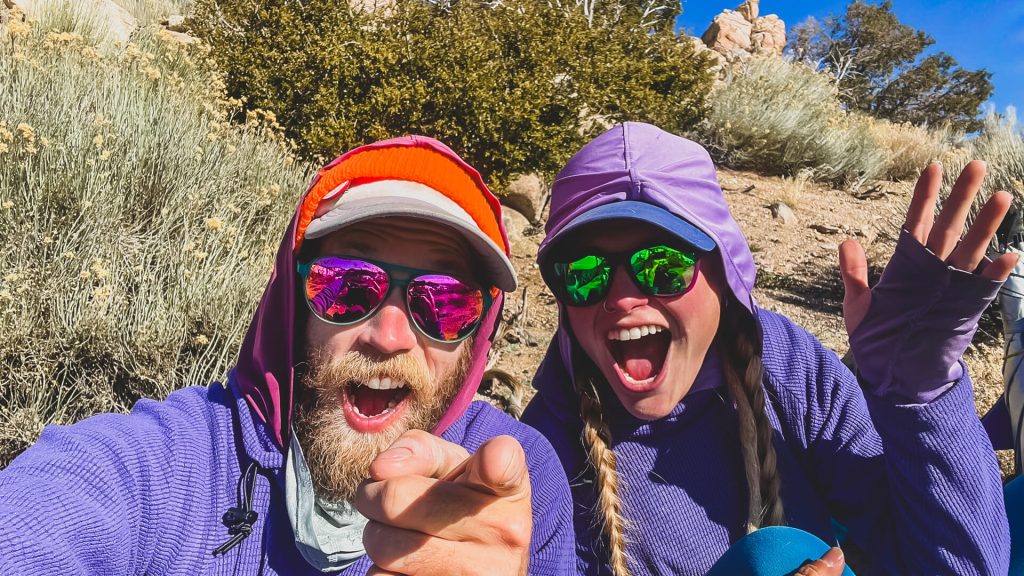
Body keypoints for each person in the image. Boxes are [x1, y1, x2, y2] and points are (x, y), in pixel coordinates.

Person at [0, 135, 575, 575]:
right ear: (291, 303)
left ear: (478, 334)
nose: (389, 337)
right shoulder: (164, 466)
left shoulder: (516, 485)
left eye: (444, 301)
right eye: (347, 284)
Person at [522, 122, 1013, 575]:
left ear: (725, 273)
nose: (622, 299)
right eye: (584, 275)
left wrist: (920, 400)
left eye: (664, 266)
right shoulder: (545, 453)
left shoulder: (788, 367)